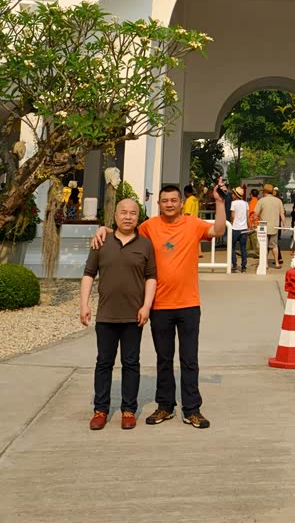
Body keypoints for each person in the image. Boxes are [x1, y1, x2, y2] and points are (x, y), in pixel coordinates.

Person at [91, 180, 227, 428]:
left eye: (174, 200)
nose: (169, 204)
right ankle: (165, 406)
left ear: (181, 203)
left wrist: (219, 202)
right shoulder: (150, 226)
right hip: (160, 305)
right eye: (165, 201)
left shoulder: (193, 224)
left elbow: (218, 230)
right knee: (164, 359)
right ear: (159, 204)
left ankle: (192, 409)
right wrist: (103, 229)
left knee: (189, 359)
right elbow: (126, 230)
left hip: (188, 304)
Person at [80, 198, 157, 430]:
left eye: (133, 213)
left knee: (131, 363)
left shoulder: (145, 245)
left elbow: (151, 277)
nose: (128, 217)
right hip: (106, 315)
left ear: (138, 217)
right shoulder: (101, 242)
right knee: (104, 363)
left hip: (134, 317)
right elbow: (88, 274)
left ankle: (128, 410)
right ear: (115, 216)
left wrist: (146, 306)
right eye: (123, 212)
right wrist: (84, 304)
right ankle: (100, 410)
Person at [254, 183, 286, 268]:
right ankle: (277, 263)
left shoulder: (261, 201)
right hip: (274, 227)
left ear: (264, 192)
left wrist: (253, 222)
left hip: (263, 227)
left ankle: (265, 264)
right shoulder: (278, 201)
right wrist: (284, 224)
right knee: (274, 246)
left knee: (263, 246)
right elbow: (282, 214)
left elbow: (255, 214)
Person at [230, 186, 249, 272]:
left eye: (233, 194)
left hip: (235, 228)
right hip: (244, 228)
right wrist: (248, 225)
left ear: (235, 195)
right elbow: (247, 216)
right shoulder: (245, 203)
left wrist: (231, 223)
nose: (232, 195)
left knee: (232, 247)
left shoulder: (233, 203)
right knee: (243, 247)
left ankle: (234, 264)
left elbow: (233, 216)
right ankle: (244, 266)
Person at [247, 188, 260, 256]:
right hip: (257, 222)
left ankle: (258, 252)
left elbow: (252, 213)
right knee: (249, 237)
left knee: (254, 238)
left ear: (251, 195)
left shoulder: (252, 202)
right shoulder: (258, 201)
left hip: (253, 223)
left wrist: (251, 223)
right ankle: (244, 251)